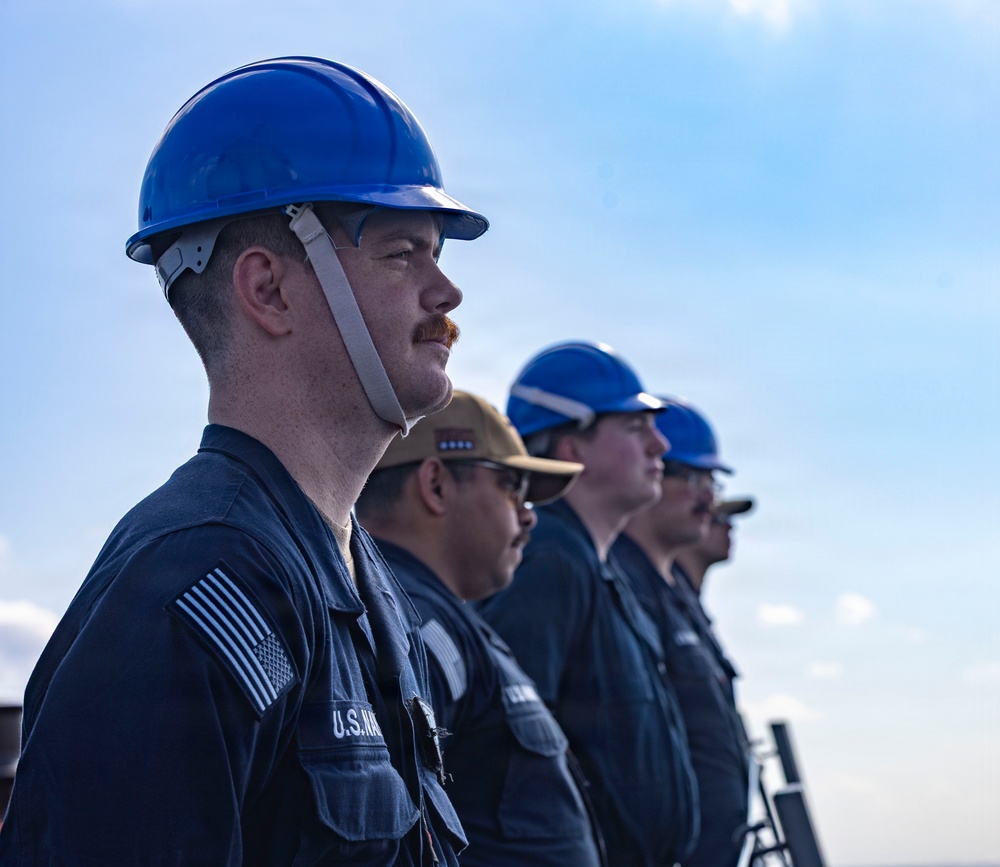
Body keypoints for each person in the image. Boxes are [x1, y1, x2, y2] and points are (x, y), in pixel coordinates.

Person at [0, 57, 488, 866]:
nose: (447, 292)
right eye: (404, 253)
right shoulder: (194, 583)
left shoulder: (361, 580)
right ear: (268, 290)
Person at [356, 390, 605, 866]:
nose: (529, 514)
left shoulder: (439, 620)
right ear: (437, 485)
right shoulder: (410, 628)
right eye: (512, 486)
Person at [479, 342, 699, 867]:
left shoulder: (593, 568)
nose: (660, 446)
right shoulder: (550, 564)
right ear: (572, 449)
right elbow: (506, 761)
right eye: (634, 428)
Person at [614, 398, 752, 867]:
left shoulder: (669, 595)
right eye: (692, 479)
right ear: (650, 473)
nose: (708, 498)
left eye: (711, 482)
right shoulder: (621, 588)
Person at [675, 497, 756, 596]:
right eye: (719, 518)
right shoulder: (662, 594)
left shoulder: (685, 599)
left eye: (729, 519)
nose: (730, 527)